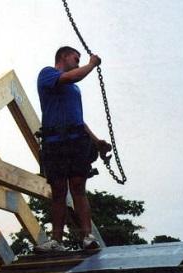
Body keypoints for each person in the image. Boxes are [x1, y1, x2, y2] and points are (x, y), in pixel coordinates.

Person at [34, 46, 112, 253]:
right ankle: (56, 240)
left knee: (78, 186)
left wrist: (96, 142)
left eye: (79, 60)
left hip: (76, 139)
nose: (78, 62)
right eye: (75, 59)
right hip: (54, 141)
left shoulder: (74, 88)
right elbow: (71, 77)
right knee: (59, 190)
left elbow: (78, 119)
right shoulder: (48, 74)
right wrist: (91, 64)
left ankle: (87, 236)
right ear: (63, 57)